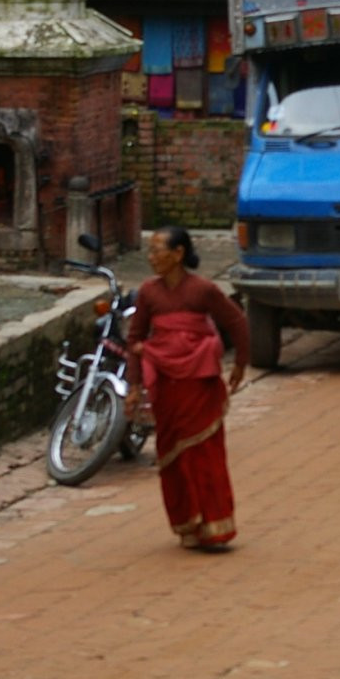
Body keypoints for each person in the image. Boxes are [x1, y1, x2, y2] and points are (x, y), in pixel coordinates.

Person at [125, 227, 250, 549]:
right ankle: (187, 524)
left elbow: (236, 322)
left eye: (157, 251)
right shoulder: (149, 294)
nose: (151, 258)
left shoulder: (203, 290)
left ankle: (216, 525)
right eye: (150, 252)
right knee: (172, 457)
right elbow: (135, 340)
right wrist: (134, 385)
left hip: (199, 385)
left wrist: (240, 364)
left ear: (178, 254)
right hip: (166, 388)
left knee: (204, 454)